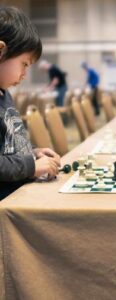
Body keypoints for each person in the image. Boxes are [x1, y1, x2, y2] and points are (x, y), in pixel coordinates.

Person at [0, 6, 61, 200]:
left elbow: (7, 146)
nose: (25, 74)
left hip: (20, 194)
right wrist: (30, 165)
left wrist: (32, 153)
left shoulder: (4, 93)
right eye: (24, 64)